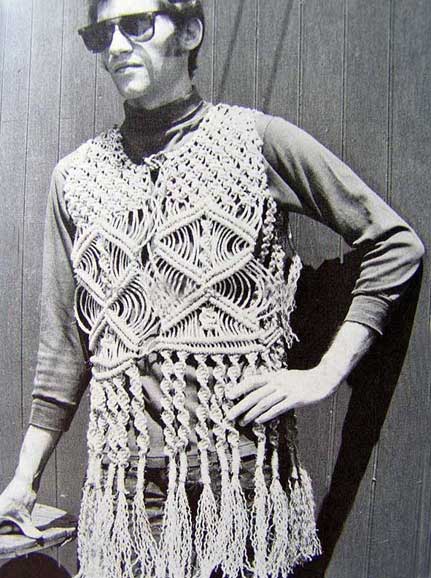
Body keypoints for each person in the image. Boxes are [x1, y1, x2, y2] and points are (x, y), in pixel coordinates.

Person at [0, 1, 424, 577]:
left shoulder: (255, 141)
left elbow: (395, 245)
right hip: (128, 489)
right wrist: (23, 483)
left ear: (191, 30)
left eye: (136, 25)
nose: (118, 45)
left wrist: (324, 374)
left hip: (242, 477)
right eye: (103, 34)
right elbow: (63, 351)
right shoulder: (74, 177)